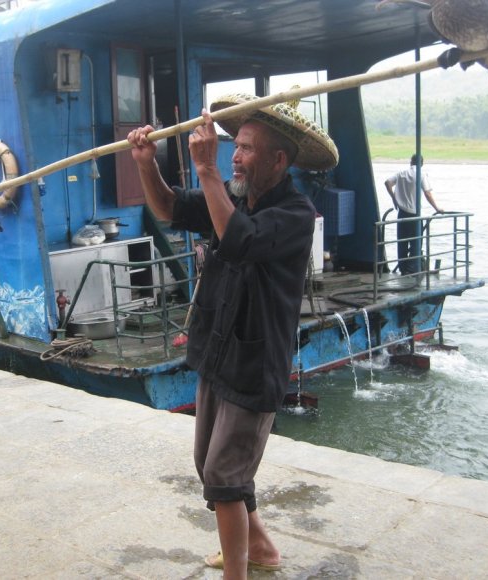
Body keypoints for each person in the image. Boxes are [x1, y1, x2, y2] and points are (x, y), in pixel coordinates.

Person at [127, 94, 338, 579]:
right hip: (219, 352)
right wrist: (146, 164)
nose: (234, 156)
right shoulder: (236, 195)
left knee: (225, 474)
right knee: (211, 465)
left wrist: (204, 170)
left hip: (255, 363)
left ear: (278, 160)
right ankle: (260, 546)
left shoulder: (296, 213)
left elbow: (241, 241)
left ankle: (237, 573)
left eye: (244, 148)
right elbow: (169, 208)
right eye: (234, 146)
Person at [384, 154, 443, 275]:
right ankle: (412, 269)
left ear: (411, 162)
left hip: (402, 214)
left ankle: (403, 269)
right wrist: (437, 208)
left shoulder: (401, 173)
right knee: (416, 242)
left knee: (402, 242)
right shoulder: (421, 174)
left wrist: (394, 198)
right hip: (415, 215)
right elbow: (428, 193)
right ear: (422, 163)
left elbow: (387, 182)